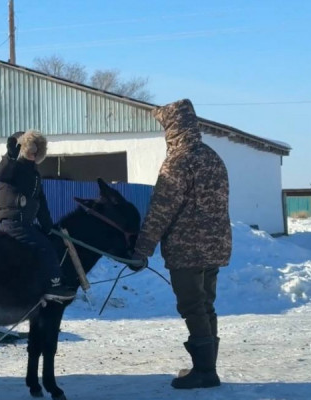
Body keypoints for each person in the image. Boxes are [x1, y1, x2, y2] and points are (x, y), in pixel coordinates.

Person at [127, 99, 232, 389]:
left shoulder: (178, 161)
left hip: (187, 249)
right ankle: (206, 366)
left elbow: (162, 210)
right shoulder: (213, 157)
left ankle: (205, 371)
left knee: (192, 306)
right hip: (215, 247)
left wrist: (141, 250)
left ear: (172, 127)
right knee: (206, 305)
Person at [0, 129, 76, 302]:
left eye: (37, 150)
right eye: (30, 149)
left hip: (26, 224)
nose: (33, 153)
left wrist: (48, 226)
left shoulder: (35, 175)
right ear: (23, 148)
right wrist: (10, 155)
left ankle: (38, 283)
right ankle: (54, 286)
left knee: (49, 241)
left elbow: (41, 203)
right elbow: (0, 174)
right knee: (44, 247)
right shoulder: (13, 167)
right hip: (12, 223)